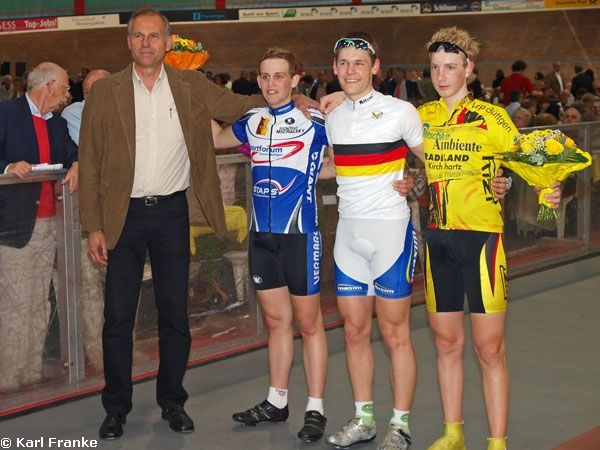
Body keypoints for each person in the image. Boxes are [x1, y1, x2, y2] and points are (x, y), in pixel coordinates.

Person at [77, 8, 268, 441]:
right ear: (128, 41)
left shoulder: (191, 85)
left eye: (154, 36)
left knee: (175, 315)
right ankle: (116, 408)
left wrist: (290, 99)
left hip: (171, 214)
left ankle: (173, 402)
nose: (146, 43)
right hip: (121, 217)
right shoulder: (105, 92)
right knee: (117, 318)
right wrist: (94, 226)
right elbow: (89, 161)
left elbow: (239, 106)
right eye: (138, 36)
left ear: (168, 42)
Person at [418, 27, 561, 450]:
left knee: (489, 349)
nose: (442, 76)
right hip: (438, 241)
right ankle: (453, 433)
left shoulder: (492, 117)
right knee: (446, 343)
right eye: (435, 67)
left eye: (451, 67)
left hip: (482, 241)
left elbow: (528, 160)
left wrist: (549, 186)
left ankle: (497, 442)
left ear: (469, 69)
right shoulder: (420, 116)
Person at [210, 47, 331, 443]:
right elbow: (216, 138)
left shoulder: (316, 120)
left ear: (295, 79)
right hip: (261, 238)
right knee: (277, 323)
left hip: (300, 235)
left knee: (309, 324)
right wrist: (188, 89)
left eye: (280, 76)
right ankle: (276, 401)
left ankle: (316, 409)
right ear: (258, 80)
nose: (271, 83)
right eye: (265, 76)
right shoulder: (253, 120)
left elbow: (349, 146)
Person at [324, 32, 425, 450]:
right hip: (349, 235)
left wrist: (416, 182)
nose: (351, 70)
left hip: (390, 234)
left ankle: (400, 426)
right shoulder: (331, 116)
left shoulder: (401, 111)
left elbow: (432, 163)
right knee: (353, 332)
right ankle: (364, 419)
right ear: (335, 68)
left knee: (395, 334)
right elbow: (335, 165)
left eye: (359, 63)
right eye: (344, 63)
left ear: (375, 67)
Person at [0, 62, 78, 392]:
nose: (67, 94)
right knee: (16, 303)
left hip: (50, 224)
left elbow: (72, 152)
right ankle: (7, 376)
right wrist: (6, 167)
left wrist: (77, 163)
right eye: (64, 87)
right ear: (47, 86)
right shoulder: (7, 113)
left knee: (40, 303)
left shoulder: (56, 123)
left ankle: (30, 371)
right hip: (14, 227)